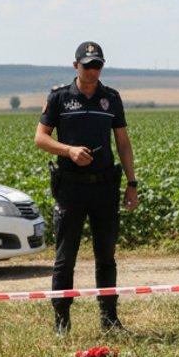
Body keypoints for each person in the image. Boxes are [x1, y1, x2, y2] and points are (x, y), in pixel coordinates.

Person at [35, 41, 138, 335]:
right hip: (70, 188)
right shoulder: (59, 98)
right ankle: (62, 323)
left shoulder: (112, 98)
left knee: (106, 256)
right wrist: (68, 151)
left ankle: (109, 320)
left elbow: (123, 143)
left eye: (97, 65)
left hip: (104, 188)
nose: (92, 71)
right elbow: (41, 139)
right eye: (87, 65)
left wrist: (132, 183)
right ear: (75, 66)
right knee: (65, 258)